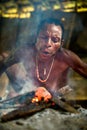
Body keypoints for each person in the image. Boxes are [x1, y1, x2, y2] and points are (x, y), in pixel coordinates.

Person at [0, 18, 87, 101]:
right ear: (36, 38)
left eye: (55, 40)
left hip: (55, 102)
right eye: (44, 37)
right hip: (29, 99)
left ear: (61, 43)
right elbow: (3, 64)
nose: (48, 44)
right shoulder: (26, 51)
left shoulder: (66, 57)